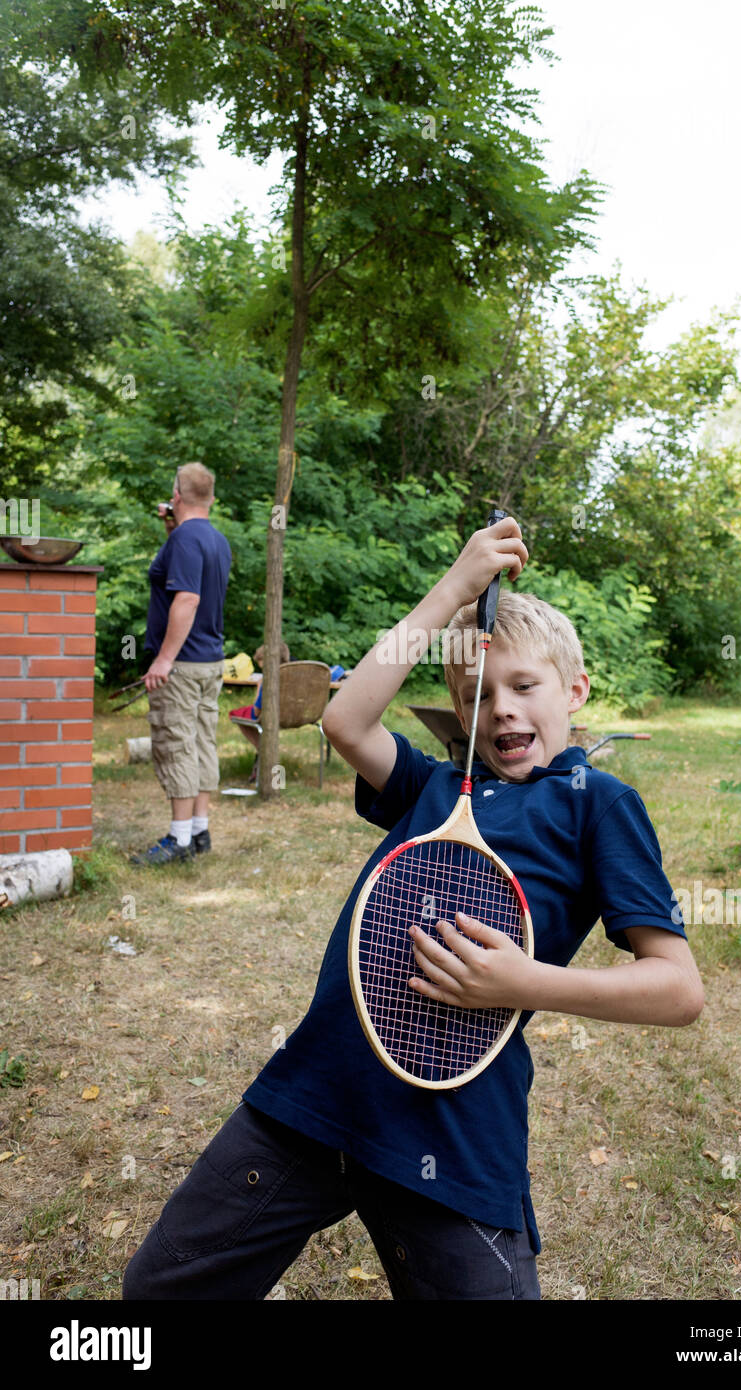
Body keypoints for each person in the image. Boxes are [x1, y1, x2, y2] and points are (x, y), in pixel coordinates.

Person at [122, 515, 703, 1300]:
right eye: (477, 694)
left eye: (524, 687)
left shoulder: (595, 803)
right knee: (160, 1291)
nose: (500, 710)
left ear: (575, 690)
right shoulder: (430, 784)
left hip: (453, 1132)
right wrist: (453, 590)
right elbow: (343, 719)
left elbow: (675, 989)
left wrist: (520, 982)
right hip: (319, 1094)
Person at [130, 462, 232, 866]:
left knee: (177, 745)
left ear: (176, 494)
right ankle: (199, 830)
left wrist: (164, 659)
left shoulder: (187, 539)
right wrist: (172, 532)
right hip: (210, 661)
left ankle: (178, 840)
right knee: (203, 741)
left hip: (184, 664)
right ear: (208, 497)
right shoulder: (214, 539)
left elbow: (187, 599)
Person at [228, 641, 290, 782]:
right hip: (291, 716)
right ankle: (276, 778)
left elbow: (257, 711)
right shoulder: (291, 675)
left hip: (268, 716)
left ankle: (262, 750)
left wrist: (259, 687)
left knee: (235, 714)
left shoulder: (268, 679)